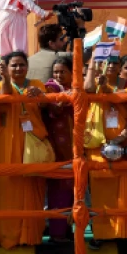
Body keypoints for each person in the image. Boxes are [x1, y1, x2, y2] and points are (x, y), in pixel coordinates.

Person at [0, 51, 48, 249]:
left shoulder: (36, 84)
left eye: (21, 64)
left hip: (32, 142)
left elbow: (47, 107)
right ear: (7, 68)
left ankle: (30, 235)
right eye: (14, 65)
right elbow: (3, 103)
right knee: (7, 189)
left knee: (31, 185)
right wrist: (4, 79)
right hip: (7, 144)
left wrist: (41, 97)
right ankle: (7, 236)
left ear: (27, 66)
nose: (18, 68)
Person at [83, 55, 127, 248]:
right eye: (107, 63)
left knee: (122, 193)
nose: (111, 66)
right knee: (100, 194)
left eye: (115, 63)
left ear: (120, 67)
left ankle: (123, 233)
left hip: (121, 144)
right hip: (98, 145)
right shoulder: (95, 83)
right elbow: (88, 89)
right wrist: (95, 73)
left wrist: (121, 137)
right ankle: (101, 233)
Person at [43, 57, 75, 243]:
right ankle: (57, 232)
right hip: (57, 148)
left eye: (62, 71)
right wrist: (62, 101)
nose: (58, 75)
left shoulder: (73, 88)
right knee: (58, 191)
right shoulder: (51, 88)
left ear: (72, 72)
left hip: (72, 146)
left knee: (72, 191)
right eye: (56, 72)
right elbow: (53, 110)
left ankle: (67, 227)